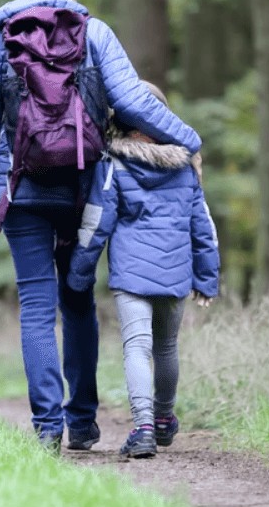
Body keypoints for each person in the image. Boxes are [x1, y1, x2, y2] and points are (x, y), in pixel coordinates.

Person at [0, 0, 202, 452]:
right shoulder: (95, 33)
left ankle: (47, 428)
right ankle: (84, 423)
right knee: (77, 300)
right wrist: (189, 141)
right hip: (84, 188)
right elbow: (135, 101)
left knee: (35, 306)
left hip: (22, 189)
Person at [67, 82, 219, 459]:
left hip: (132, 276)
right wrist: (206, 277)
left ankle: (144, 427)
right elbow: (203, 227)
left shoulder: (114, 165)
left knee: (137, 347)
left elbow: (96, 222)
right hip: (175, 273)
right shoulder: (186, 167)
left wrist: (79, 273)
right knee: (167, 347)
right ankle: (165, 419)